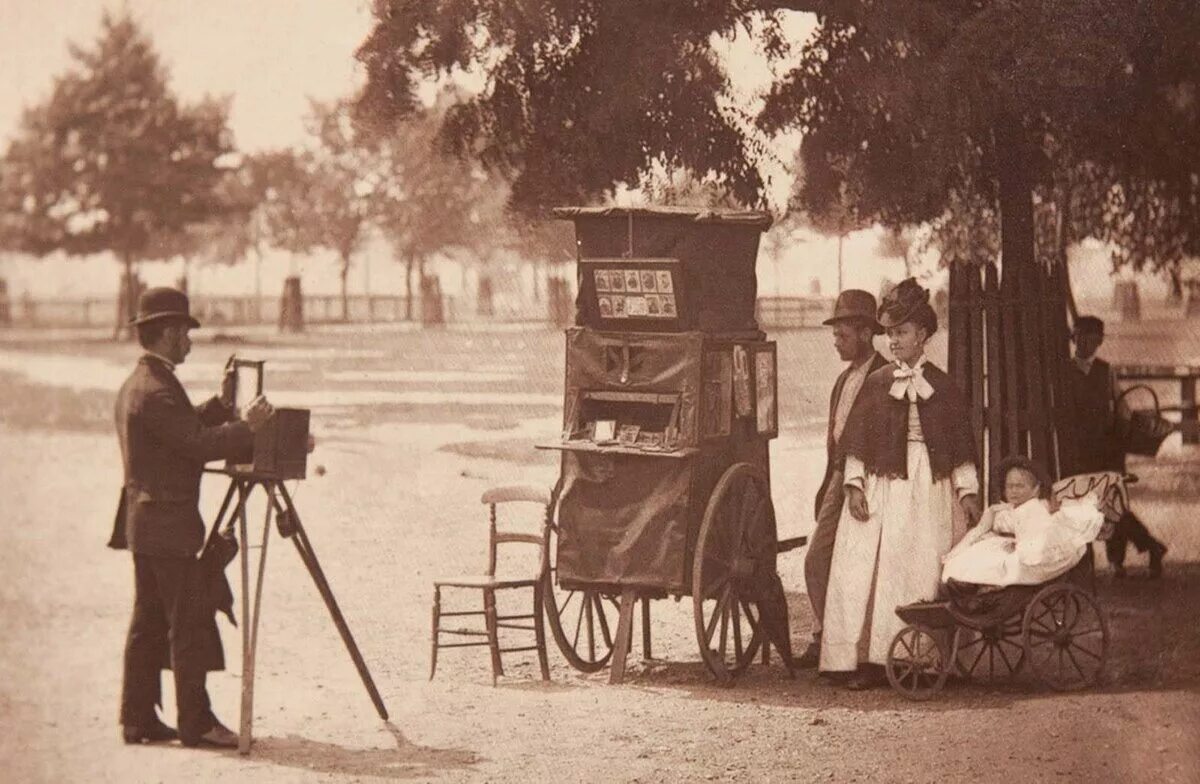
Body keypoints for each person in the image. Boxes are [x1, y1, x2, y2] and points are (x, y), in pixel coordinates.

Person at [108, 287, 273, 748]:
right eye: (183, 332)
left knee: (148, 620)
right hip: (167, 525)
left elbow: (181, 430)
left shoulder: (143, 383)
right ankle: (196, 722)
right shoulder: (158, 390)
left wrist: (220, 406)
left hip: (146, 524)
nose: (189, 341)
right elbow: (197, 445)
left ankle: (138, 719)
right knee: (188, 620)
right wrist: (248, 428)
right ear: (163, 334)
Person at [819, 279, 981, 689]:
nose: (894, 341)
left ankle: (922, 658)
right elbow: (857, 440)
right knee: (865, 564)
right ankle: (869, 660)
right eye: (890, 333)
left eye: (902, 333)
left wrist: (968, 492)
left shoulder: (942, 387)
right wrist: (855, 484)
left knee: (918, 563)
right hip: (883, 483)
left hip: (927, 486)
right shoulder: (878, 383)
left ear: (922, 336)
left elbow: (960, 445)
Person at [795, 290, 889, 668]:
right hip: (838, 475)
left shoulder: (884, 377)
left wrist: (859, 481)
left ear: (866, 334)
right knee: (819, 560)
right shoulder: (844, 380)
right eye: (835, 336)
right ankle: (825, 637)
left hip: (866, 479)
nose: (836, 342)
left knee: (842, 561)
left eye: (843, 335)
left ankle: (848, 647)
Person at [1065, 316, 1167, 578]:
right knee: (1084, 504)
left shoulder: (1105, 371)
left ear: (1099, 341)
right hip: (1080, 450)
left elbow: (1122, 409)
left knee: (1114, 505)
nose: (1082, 343)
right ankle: (1150, 546)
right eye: (1078, 337)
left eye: (1089, 338)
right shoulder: (1064, 370)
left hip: (1108, 448)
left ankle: (1117, 560)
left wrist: (1124, 427)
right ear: (1072, 338)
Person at [942, 456, 1104, 588]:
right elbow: (989, 528)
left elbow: (1038, 539)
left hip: (1034, 557)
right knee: (978, 553)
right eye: (1009, 486)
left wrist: (1017, 546)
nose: (1013, 491)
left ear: (1035, 489)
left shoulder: (1034, 508)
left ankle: (980, 585)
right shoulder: (1009, 509)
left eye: (1020, 486)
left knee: (993, 563)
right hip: (1021, 548)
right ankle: (970, 584)